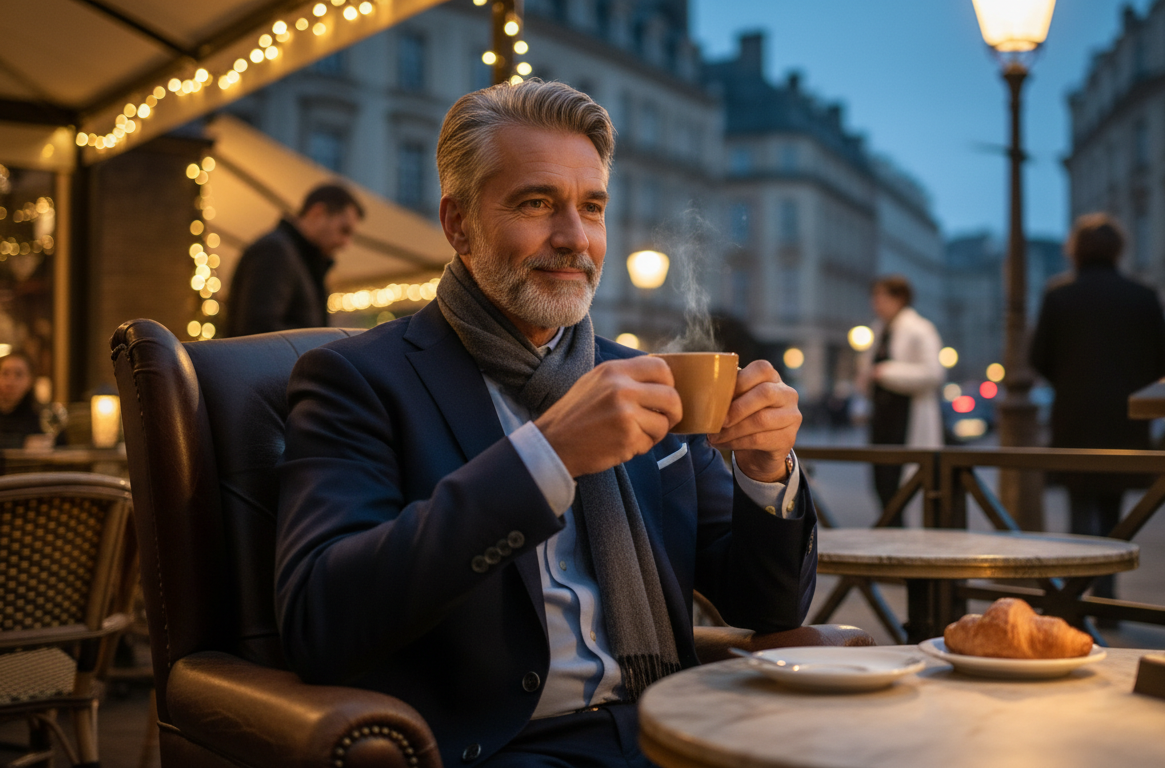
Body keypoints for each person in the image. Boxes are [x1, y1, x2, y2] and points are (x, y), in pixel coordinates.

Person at [275, 80, 816, 768]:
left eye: (591, 207)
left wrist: (767, 471)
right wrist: (547, 456)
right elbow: (321, 619)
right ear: (458, 224)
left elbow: (768, 606)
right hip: (506, 745)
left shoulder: (642, 376)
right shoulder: (358, 379)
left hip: (673, 725)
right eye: (536, 204)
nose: (573, 238)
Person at [1030, 213, 1165, 599]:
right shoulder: (1143, 297)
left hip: (1075, 415)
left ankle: (1078, 589)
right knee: (1114, 504)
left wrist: (1069, 379)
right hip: (1125, 417)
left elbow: (1037, 356)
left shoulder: (1059, 295)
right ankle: (1108, 591)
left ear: (1075, 250)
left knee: (1080, 501)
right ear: (1119, 250)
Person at [856, 276, 945, 523]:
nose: (876, 303)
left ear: (900, 298)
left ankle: (903, 538)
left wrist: (885, 372)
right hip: (882, 416)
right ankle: (892, 531)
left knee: (903, 483)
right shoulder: (879, 329)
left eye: (882, 297)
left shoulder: (920, 329)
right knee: (881, 481)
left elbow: (933, 372)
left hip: (906, 414)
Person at [225, 184, 364, 336]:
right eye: (344, 230)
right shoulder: (275, 251)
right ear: (317, 212)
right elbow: (258, 331)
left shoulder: (296, 256)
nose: (346, 243)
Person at [0, 352, 43, 448]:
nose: (10, 382)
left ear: (30, 381)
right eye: (5, 374)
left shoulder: (41, 419)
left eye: (18, 375)